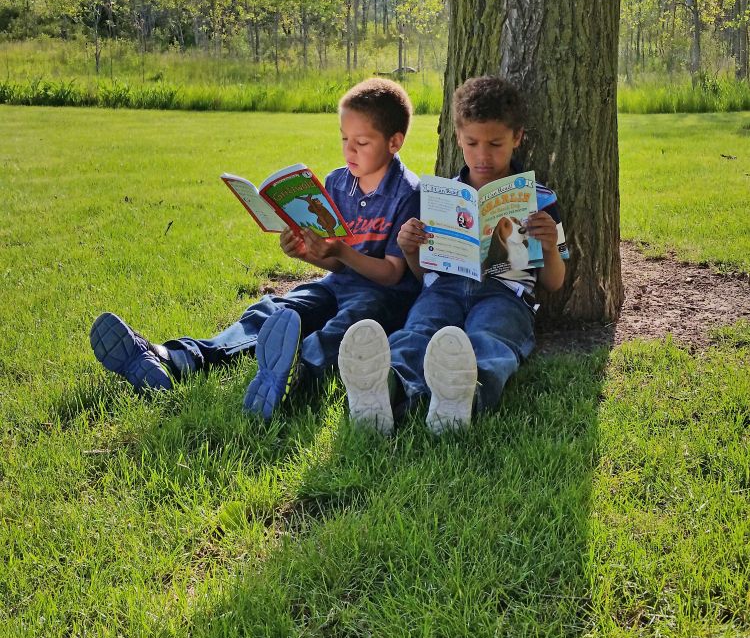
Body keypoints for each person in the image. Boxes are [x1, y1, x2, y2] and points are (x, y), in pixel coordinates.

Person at [89, 78, 421, 419]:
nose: (349, 150)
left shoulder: (408, 193)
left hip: (383, 296)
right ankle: (177, 358)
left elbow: (392, 274)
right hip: (337, 284)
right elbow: (336, 265)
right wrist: (307, 252)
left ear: (394, 142)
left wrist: (339, 251)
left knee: (347, 325)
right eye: (344, 139)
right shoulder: (338, 182)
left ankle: (296, 374)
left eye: (361, 143)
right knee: (275, 310)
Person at [337, 75, 569, 435]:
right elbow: (423, 274)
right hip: (443, 289)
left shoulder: (541, 199)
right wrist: (411, 249)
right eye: (472, 143)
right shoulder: (443, 196)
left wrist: (550, 246)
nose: (483, 155)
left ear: (517, 138)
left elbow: (554, 282)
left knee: (490, 339)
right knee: (419, 331)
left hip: (505, 295)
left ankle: (463, 398)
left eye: (495, 144)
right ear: (458, 137)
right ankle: (386, 388)